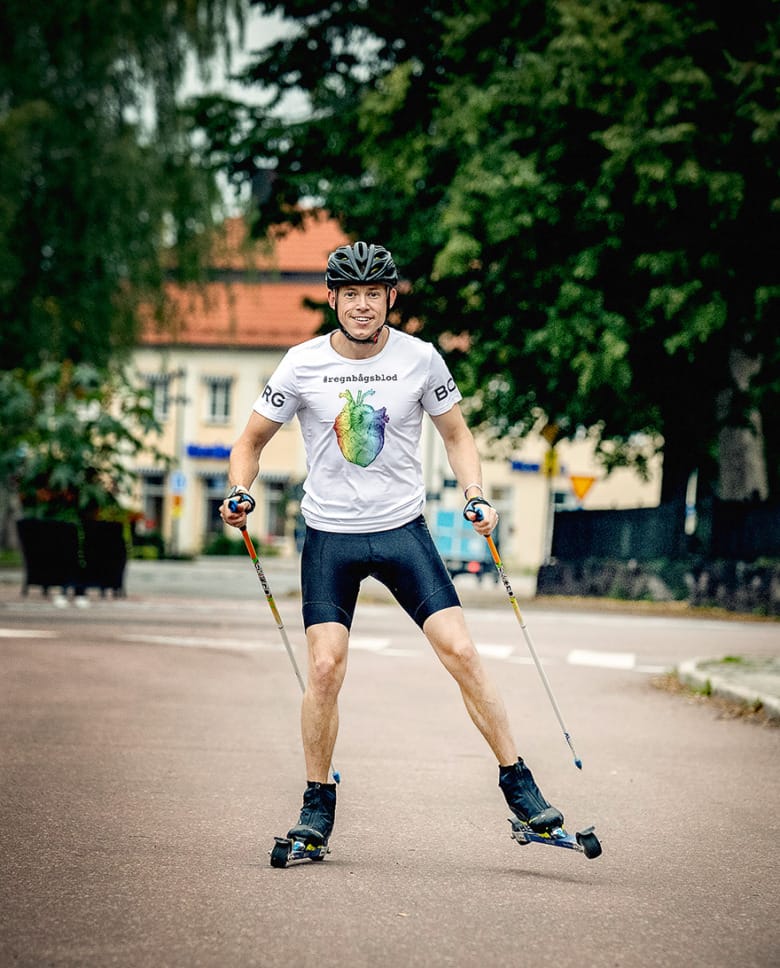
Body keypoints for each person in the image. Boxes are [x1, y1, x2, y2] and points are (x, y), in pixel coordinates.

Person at [220, 241, 563, 851]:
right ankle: (316, 803)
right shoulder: (301, 363)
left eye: (371, 294)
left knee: (460, 650)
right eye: (348, 293)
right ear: (332, 298)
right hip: (330, 535)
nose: (360, 305)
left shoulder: (421, 359)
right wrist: (239, 492)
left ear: (389, 298)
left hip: (403, 530)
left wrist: (475, 492)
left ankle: (519, 784)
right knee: (325, 665)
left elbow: (457, 436)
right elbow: (249, 442)